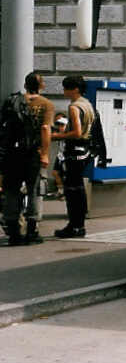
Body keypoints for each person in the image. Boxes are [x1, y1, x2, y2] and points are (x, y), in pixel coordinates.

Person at [0, 72, 54, 245]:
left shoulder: (12, 101)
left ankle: (14, 232)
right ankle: (32, 231)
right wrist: (45, 153)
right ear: (42, 85)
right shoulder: (46, 104)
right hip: (33, 154)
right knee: (35, 190)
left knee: (11, 191)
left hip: (12, 154)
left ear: (25, 85)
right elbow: (45, 129)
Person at [51, 76, 95, 239]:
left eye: (65, 88)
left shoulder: (74, 107)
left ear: (74, 89)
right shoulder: (87, 104)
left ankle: (74, 226)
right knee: (79, 189)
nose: (63, 91)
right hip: (85, 150)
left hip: (74, 151)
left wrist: (56, 136)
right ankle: (79, 225)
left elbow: (76, 132)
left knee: (71, 190)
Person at [49, 112, 68, 200]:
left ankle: (65, 193)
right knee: (55, 173)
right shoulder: (57, 130)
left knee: (65, 175)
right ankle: (61, 191)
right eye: (57, 123)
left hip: (66, 156)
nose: (59, 126)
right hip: (60, 155)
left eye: (61, 124)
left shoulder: (68, 130)